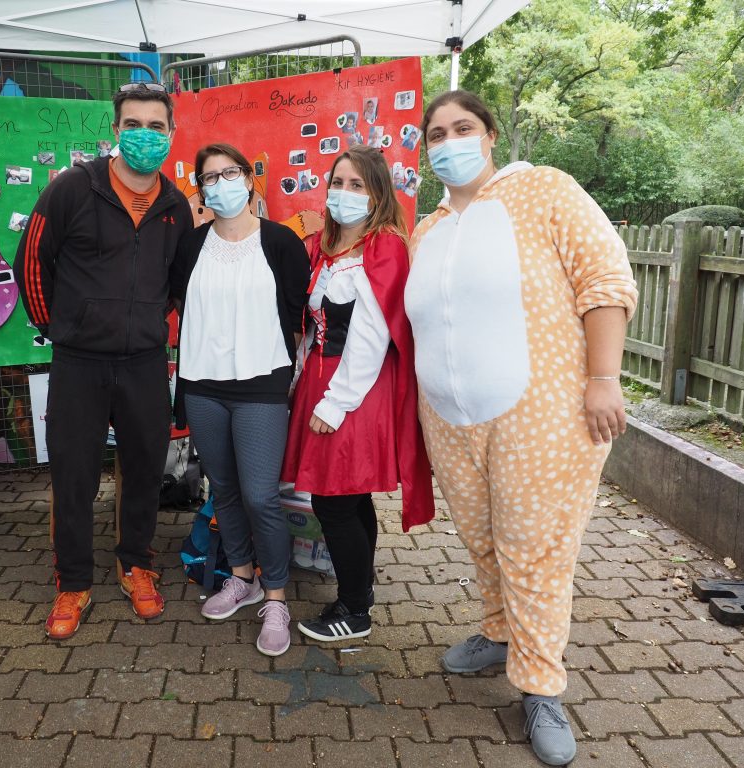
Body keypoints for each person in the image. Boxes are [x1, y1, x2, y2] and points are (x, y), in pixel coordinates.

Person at [405, 90, 638, 767]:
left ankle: (540, 685)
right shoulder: (428, 228)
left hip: (538, 411)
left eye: (463, 127)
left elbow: (605, 280)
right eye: (437, 132)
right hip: (450, 416)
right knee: (482, 537)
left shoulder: (544, 192)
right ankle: (498, 630)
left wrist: (603, 378)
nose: (449, 140)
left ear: (490, 135)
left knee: (533, 546)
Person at [12, 82, 193, 639]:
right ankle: (73, 583)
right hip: (79, 362)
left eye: (155, 126)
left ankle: (135, 565)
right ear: (116, 130)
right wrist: (59, 328)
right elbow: (32, 264)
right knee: (73, 475)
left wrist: (143, 325)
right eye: (133, 125)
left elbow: (175, 283)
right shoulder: (71, 188)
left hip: (143, 362)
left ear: (170, 134)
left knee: (144, 470)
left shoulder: (174, 206)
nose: (144, 135)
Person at [281, 145, 434, 642]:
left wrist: (334, 401)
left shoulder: (382, 246)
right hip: (322, 379)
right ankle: (359, 590)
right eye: (338, 183)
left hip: (353, 388)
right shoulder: (326, 247)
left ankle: (354, 610)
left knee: (334, 502)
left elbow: (372, 335)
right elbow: (313, 326)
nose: (343, 193)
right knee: (349, 497)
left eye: (357, 185)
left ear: (378, 194)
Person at [170, 143, 309, 656]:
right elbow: (179, 302)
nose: (220, 183)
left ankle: (276, 597)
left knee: (259, 494)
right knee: (223, 488)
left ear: (249, 179)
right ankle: (242, 577)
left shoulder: (280, 243)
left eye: (229, 173)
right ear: (201, 189)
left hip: (261, 386)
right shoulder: (190, 245)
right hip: (204, 384)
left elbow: (296, 312)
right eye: (209, 177)